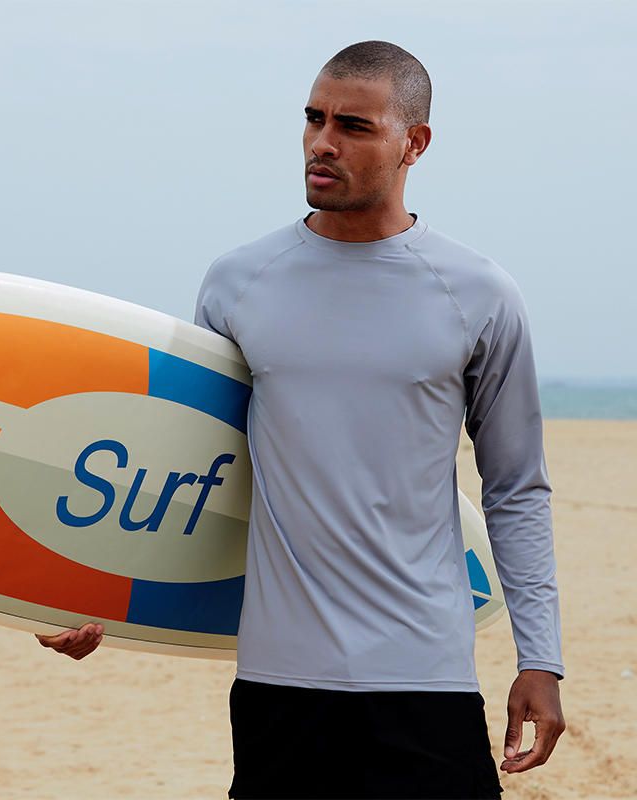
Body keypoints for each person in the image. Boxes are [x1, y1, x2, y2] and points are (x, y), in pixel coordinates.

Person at [38, 40, 565, 800]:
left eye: (354, 126)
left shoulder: (478, 294)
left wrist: (539, 659)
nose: (323, 141)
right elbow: (193, 477)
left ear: (414, 143)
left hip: (424, 678)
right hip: (278, 687)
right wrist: (106, 603)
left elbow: (516, 487)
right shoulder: (238, 282)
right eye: (314, 119)